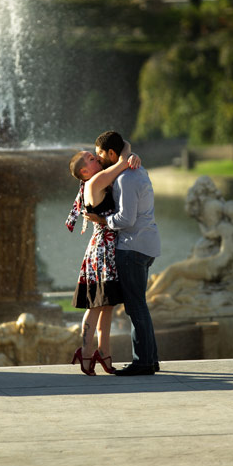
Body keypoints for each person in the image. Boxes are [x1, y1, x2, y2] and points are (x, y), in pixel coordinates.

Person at [90, 130, 161, 376]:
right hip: (147, 244)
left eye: (100, 156)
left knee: (135, 306)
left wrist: (101, 219)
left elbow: (126, 219)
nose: (98, 161)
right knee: (140, 305)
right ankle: (151, 359)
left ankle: (143, 362)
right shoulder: (137, 170)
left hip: (132, 246)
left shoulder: (125, 179)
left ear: (112, 154)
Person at [66, 140, 140, 375]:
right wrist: (129, 152)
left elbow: (120, 163)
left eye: (94, 156)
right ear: (84, 172)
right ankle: (86, 352)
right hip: (101, 251)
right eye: (90, 158)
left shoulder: (98, 178)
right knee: (97, 305)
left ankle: (104, 353)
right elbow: (120, 161)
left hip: (109, 247)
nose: (96, 158)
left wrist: (131, 156)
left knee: (106, 305)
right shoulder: (95, 181)